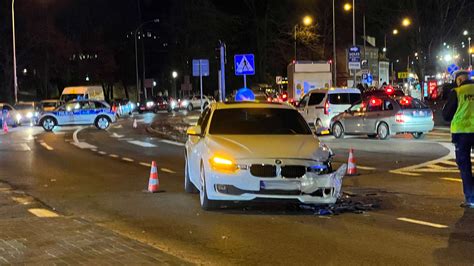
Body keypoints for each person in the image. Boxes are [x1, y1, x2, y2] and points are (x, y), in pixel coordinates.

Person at [442, 70, 474, 208]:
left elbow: (446, 115)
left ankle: (471, 198)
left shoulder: (458, 92)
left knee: (465, 166)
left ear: (459, 80)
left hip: (462, 133)